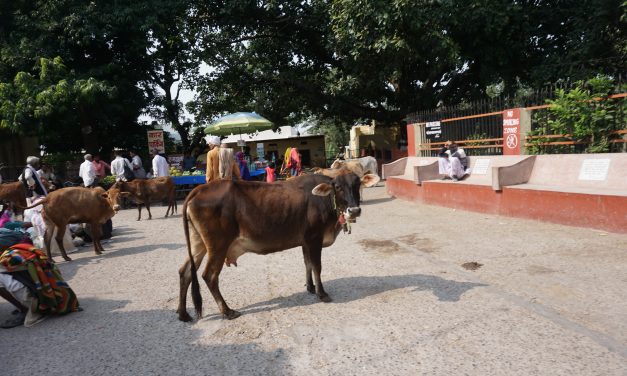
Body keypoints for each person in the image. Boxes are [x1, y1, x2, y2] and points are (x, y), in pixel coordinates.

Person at [0, 243, 80, 328]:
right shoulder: (18, 251)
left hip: (33, 295)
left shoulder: (7, 260)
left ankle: (26, 310)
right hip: (47, 291)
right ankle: (35, 304)